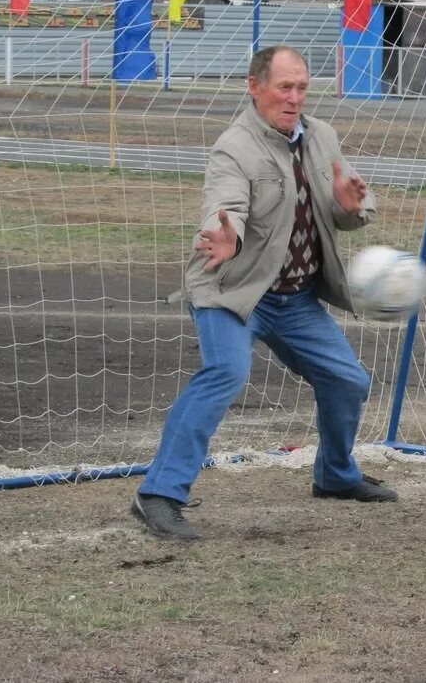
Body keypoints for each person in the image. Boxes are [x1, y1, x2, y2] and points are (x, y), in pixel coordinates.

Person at [131, 45, 397, 541]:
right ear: (254, 87)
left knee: (348, 380)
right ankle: (159, 494)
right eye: (284, 87)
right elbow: (224, 203)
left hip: (295, 299)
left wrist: (350, 208)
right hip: (233, 290)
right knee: (226, 373)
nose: (294, 98)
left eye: (301, 88)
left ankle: (336, 477)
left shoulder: (322, 137)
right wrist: (225, 235)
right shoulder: (234, 147)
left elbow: (350, 202)